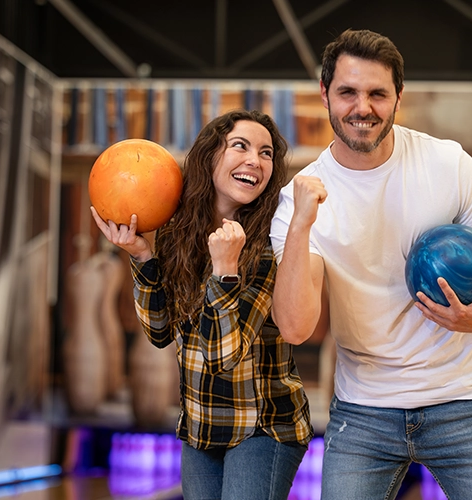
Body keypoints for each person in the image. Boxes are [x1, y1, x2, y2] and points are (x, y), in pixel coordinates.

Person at [270, 29, 472, 500]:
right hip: (365, 410)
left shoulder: (448, 164)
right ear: (325, 93)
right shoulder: (299, 199)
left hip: (466, 398)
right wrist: (301, 225)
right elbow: (295, 327)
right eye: (347, 92)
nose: (361, 107)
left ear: (398, 98)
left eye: (377, 94)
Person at [91, 109, 313, 500]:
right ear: (210, 155)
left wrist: (225, 271)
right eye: (240, 146)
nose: (254, 161)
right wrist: (142, 257)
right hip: (201, 425)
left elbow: (222, 355)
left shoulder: (267, 246)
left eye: (266, 153)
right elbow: (159, 333)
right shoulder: (179, 233)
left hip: (263, 427)